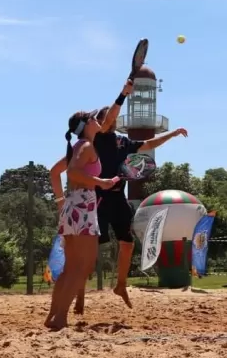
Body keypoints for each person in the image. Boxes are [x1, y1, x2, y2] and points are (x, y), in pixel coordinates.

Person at [74, 101, 188, 312]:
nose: (113, 118)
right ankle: (79, 294)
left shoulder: (122, 141)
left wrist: (172, 134)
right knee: (91, 251)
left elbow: (149, 144)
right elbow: (109, 117)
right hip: (98, 198)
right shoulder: (96, 138)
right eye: (108, 116)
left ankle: (121, 285)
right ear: (101, 121)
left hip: (118, 198)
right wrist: (123, 95)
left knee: (127, 243)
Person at [44, 110, 117, 330]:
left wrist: (60, 201)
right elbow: (73, 172)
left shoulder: (78, 147)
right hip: (83, 206)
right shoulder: (85, 146)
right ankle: (60, 317)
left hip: (73, 205)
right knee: (82, 266)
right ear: (86, 125)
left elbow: (55, 172)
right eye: (93, 118)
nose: (97, 120)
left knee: (71, 267)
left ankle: (54, 315)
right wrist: (101, 182)